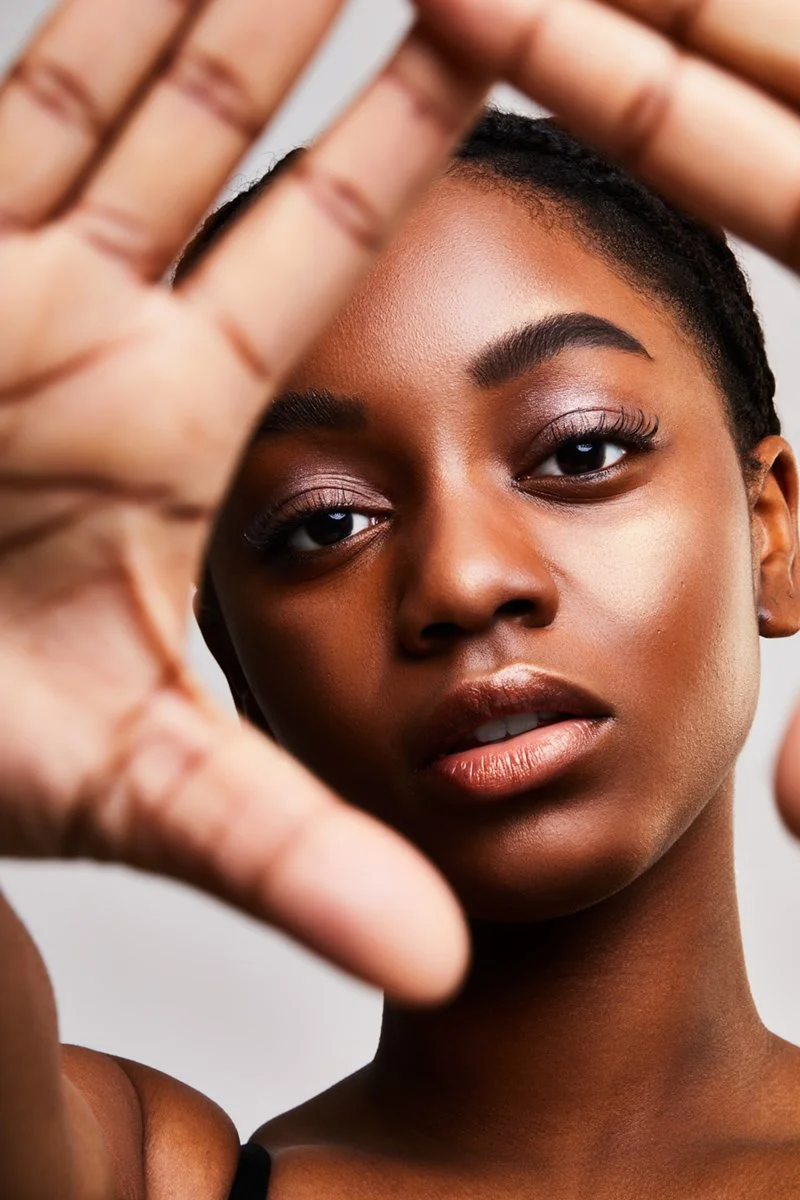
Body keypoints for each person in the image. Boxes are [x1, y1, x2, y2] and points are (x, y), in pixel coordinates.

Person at [3, 1, 800, 1198]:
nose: (463, 581)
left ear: (770, 529)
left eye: (576, 453)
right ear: (228, 654)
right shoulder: (131, 1171)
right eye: (323, 523)